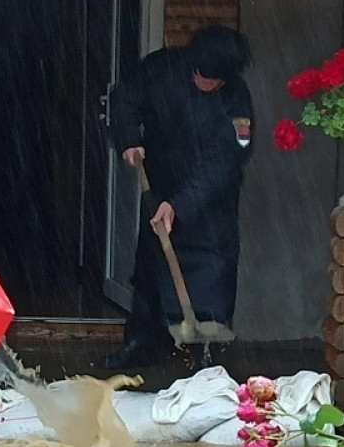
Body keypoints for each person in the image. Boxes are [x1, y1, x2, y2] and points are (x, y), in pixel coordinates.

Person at [98, 24, 254, 370]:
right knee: (152, 272)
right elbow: (124, 99)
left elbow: (224, 163)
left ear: (226, 79)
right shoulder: (162, 68)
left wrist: (180, 204)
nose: (202, 81)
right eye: (199, 73)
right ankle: (142, 348)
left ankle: (204, 360)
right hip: (159, 185)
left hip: (209, 206)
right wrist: (127, 138)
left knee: (209, 277)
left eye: (211, 80)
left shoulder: (237, 102)